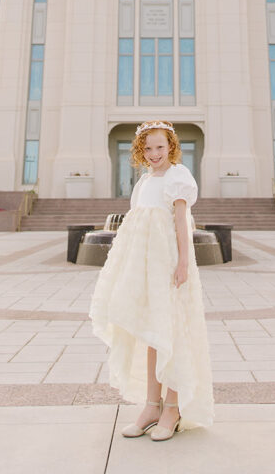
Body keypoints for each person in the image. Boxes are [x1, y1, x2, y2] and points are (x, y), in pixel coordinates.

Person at [89, 119, 214, 440]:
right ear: (139, 151)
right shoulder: (144, 181)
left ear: (171, 147)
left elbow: (182, 222)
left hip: (168, 262)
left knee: (170, 331)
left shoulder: (178, 178)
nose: (154, 153)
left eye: (160, 147)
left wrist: (184, 262)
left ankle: (172, 408)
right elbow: (135, 226)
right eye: (147, 148)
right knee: (148, 330)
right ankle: (151, 405)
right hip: (142, 266)